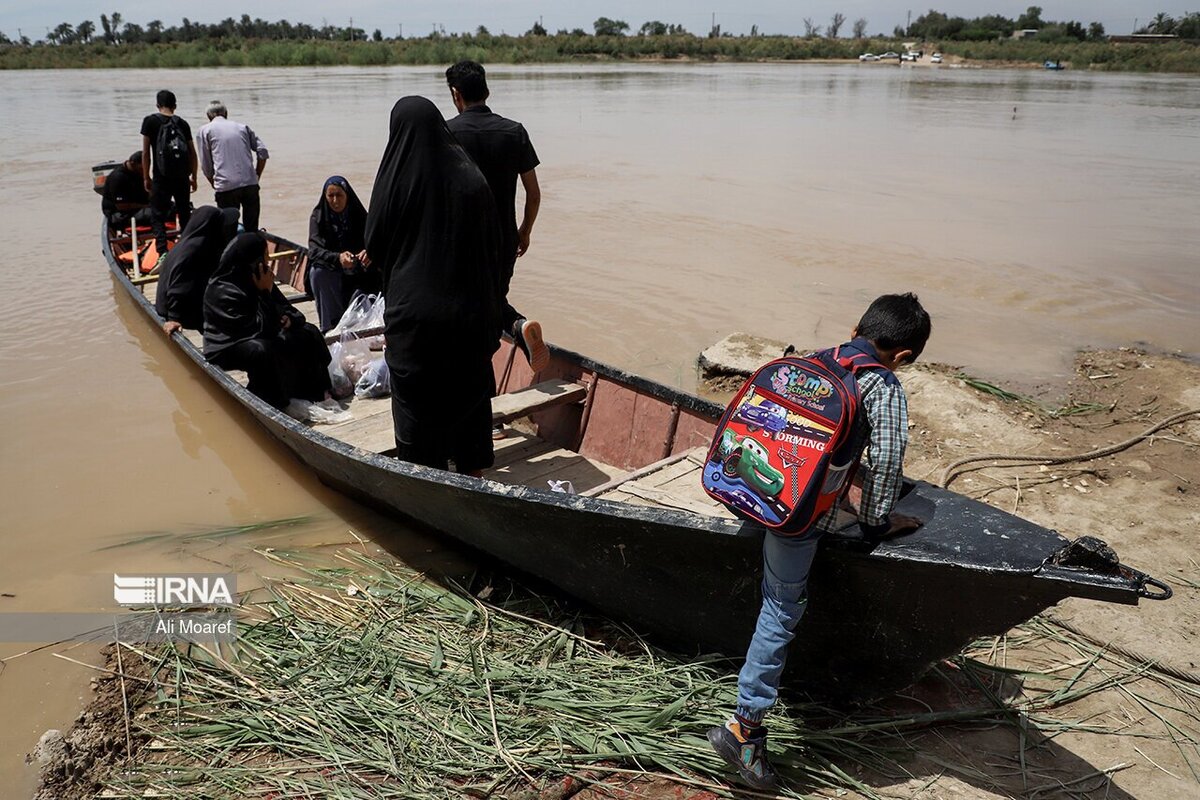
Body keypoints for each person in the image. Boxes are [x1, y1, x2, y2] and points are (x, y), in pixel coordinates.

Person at [707, 293, 932, 790]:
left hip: (746, 491)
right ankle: (744, 729)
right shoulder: (883, 386)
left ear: (855, 329)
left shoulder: (813, 361)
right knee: (781, 607)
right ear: (903, 356)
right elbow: (887, 461)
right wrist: (875, 522)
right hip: (798, 517)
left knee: (774, 582)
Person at [365, 96, 504, 476]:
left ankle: (428, 482)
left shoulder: (396, 180)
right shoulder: (472, 179)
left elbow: (374, 244)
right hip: (470, 317)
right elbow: (494, 248)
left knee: (416, 409)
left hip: (415, 319)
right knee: (469, 402)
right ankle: (472, 477)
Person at [445, 60, 549, 379]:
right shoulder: (513, 131)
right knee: (492, 300)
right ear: (487, 91)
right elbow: (534, 193)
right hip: (504, 239)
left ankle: (479, 383)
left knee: (466, 311)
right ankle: (516, 326)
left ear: (456, 94)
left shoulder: (447, 133)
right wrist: (524, 232)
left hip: (460, 241)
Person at [202, 231, 332, 410]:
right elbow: (259, 329)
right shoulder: (222, 289)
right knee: (263, 350)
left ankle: (317, 391)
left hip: (264, 331)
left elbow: (292, 313)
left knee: (308, 331)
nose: (268, 260)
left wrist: (289, 319)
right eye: (264, 255)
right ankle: (274, 401)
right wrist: (264, 292)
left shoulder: (260, 275)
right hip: (228, 344)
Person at [307, 176, 380, 331]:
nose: (335, 201)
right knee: (317, 271)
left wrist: (368, 252)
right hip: (333, 269)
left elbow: (374, 240)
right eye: (331, 196)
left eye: (339, 195)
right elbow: (314, 251)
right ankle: (330, 324)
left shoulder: (359, 215)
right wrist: (338, 258)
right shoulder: (318, 217)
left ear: (347, 195)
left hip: (358, 270)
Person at [157, 206, 239, 334]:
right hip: (179, 311)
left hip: (180, 304)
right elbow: (178, 289)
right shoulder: (193, 252)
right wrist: (174, 318)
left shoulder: (189, 243)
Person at [141, 89, 198, 264]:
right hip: (182, 177)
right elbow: (192, 153)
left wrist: (146, 177)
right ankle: (188, 251)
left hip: (161, 176)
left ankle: (163, 253)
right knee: (184, 213)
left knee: (157, 215)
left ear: (157, 105)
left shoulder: (150, 121)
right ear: (175, 105)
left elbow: (145, 153)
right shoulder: (183, 123)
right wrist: (194, 177)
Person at [196, 100, 269, 231]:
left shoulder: (205, 130)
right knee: (252, 228)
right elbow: (262, 152)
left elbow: (206, 165)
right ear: (226, 113)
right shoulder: (242, 127)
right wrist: (256, 175)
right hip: (250, 184)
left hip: (226, 186)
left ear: (208, 116)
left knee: (228, 230)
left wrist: (214, 183)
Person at [101, 151, 151, 230]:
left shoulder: (137, 172)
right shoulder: (118, 178)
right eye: (141, 169)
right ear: (132, 164)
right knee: (156, 213)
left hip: (137, 208)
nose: (144, 171)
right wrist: (147, 206)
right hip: (119, 214)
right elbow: (122, 206)